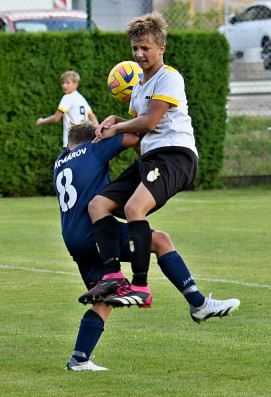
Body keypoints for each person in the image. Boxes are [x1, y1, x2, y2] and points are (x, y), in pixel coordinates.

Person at [55, 121, 240, 371]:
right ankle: (199, 303)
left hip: (73, 237)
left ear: (68, 145)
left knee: (106, 298)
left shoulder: (60, 160)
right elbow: (133, 137)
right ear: (94, 140)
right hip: (95, 232)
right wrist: (118, 127)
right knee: (161, 241)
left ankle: (79, 359)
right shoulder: (93, 150)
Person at [86, 12, 200, 308]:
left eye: (145, 48)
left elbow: (149, 123)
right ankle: (113, 274)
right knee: (98, 204)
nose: (139, 54)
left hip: (176, 156)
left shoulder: (169, 78)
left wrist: (117, 126)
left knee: (135, 207)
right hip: (151, 160)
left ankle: (140, 286)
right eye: (135, 48)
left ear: (161, 47)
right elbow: (139, 138)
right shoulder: (138, 88)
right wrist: (116, 119)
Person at [36, 70, 98, 148]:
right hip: (85, 140)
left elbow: (56, 118)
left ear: (76, 84)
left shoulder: (67, 97)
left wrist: (42, 121)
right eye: (63, 83)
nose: (64, 86)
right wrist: (97, 131)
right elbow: (92, 116)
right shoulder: (81, 98)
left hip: (72, 141)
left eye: (68, 83)